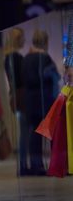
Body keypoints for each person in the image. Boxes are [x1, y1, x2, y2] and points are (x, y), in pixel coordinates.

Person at [22, 30, 59, 175]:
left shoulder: (26, 59)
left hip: (31, 102)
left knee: (34, 135)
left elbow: (25, 80)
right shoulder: (45, 58)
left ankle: (36, 165)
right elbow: (52, 78)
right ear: (45, 42)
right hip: (45, 100)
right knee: (52, 133)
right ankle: (55, 164)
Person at [3, 28, 29, 175]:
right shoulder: (16, 58)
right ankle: (23, 164)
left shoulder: (8, 58)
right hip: (21, 97)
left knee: (23, 131)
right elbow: (21, 79)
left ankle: (23, 164)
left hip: (15, 96)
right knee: (25, 132)